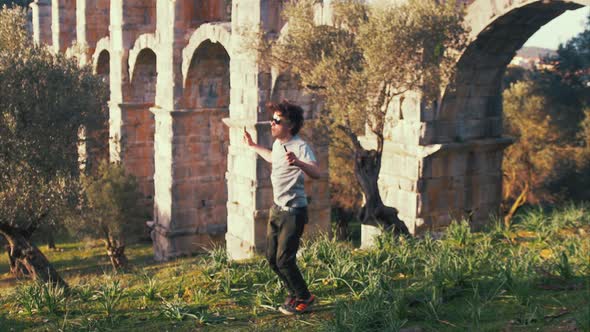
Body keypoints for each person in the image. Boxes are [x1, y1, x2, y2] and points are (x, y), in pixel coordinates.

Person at [243, 101, 321, 315]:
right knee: (271, 257)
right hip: (277, 209)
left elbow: (316, 172)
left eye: (277, 121)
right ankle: (294, 294)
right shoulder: (279, 144)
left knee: (284, 259)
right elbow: (273, 158)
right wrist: (253, 146)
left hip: (294, 211)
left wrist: (298, 163)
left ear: (291, 125)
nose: (272, 123)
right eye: (272, 119)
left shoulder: (300, 147)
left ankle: (305, 297)